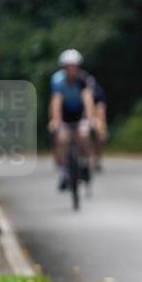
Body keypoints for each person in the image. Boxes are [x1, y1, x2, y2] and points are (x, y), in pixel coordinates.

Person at [48, 49, 98, 190]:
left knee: (83, 135)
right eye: (68, 66)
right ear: (64, 67)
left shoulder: (84, 79)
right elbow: (56, 101)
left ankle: (84, 164)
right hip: (64, 113)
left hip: (79, 112)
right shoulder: (58, 80)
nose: (72, 70)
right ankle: (64, 172)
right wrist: (55, 121)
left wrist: (90, 118)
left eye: (74, 66)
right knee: (62, 138)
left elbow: (88, 99)